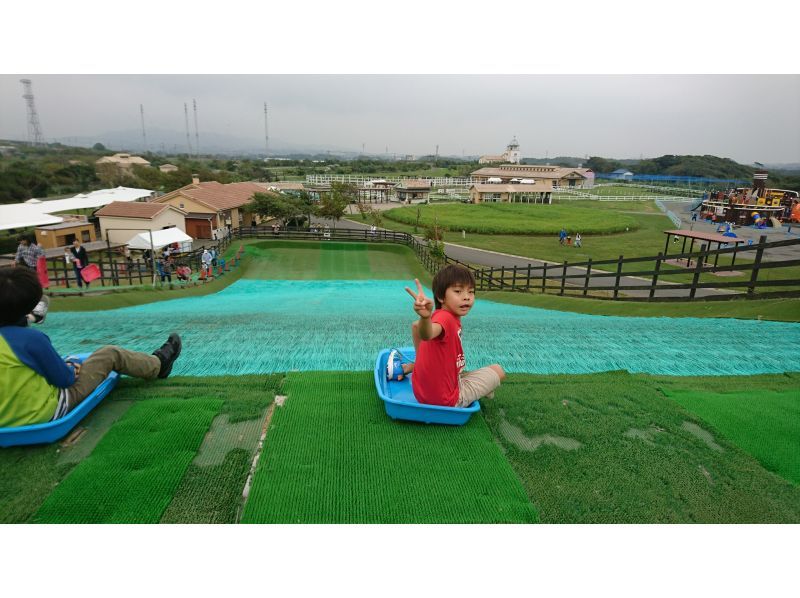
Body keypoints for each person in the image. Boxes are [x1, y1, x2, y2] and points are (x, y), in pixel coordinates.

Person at [0, 267, 182, 428]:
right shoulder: (32, 340)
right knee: (109, 354)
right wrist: (71, 366)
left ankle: (31, 318)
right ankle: (159, 364)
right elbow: (65, 380)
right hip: (42, 415)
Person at [400, 265, 505, 408]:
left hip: (421, 393)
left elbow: (415, 327)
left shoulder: (440, 315)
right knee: (498, 370)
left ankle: (415, 367)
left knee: (466, 374)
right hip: (446, 400)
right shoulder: (446, 319)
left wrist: (418, 364)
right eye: (458, 291)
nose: (466, 297)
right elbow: (426, 334)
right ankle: (484, 390)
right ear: (441, 297)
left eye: (471, 292)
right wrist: (425, 318)